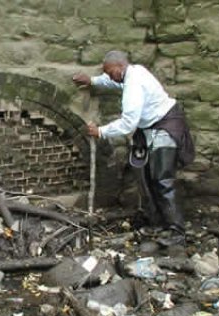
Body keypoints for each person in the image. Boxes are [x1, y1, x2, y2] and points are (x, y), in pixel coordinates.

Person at [73, 50, 195, 244]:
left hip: (165, 128)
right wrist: (93, 81)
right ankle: (156, 222)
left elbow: (129, 123)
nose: (108, 75)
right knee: (146, 177)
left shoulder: (134, 84)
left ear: (120, 66)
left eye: (109, 71)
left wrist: (101, 132)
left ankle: (176, 231)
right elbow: (113, 82)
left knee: (162, 180)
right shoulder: (131, 72)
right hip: (151, 129)